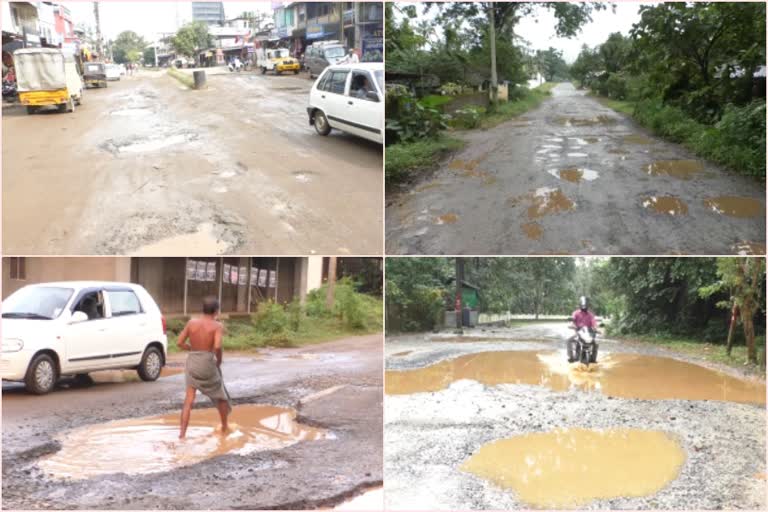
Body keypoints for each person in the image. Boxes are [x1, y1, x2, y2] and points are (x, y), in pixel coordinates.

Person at [177, 296, 231, 439]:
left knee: (189, 400)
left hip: (192, 362)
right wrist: (218, 360)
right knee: (222, 397)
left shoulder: (191, 323)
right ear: (216, 311)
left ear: (203, 309)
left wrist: (192, 348)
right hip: (207, 362)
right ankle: (225, 427)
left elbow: (179, 343)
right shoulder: (217, 326)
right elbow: (218, 346)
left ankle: (182, 435)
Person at [567, 296, 599, 363]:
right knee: (569, 340)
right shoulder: (575, 313)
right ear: (580, 305)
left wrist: (596, 328)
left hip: (588, 334)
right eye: (583, 305)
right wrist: (572, 326)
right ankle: (571, 357)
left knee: (596, 343)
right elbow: (572, 321)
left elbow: (594, 323)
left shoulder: (591, 315)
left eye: (585, 305)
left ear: (587, 305)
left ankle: (593, 359)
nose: (584, 307)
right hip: (578, 332)